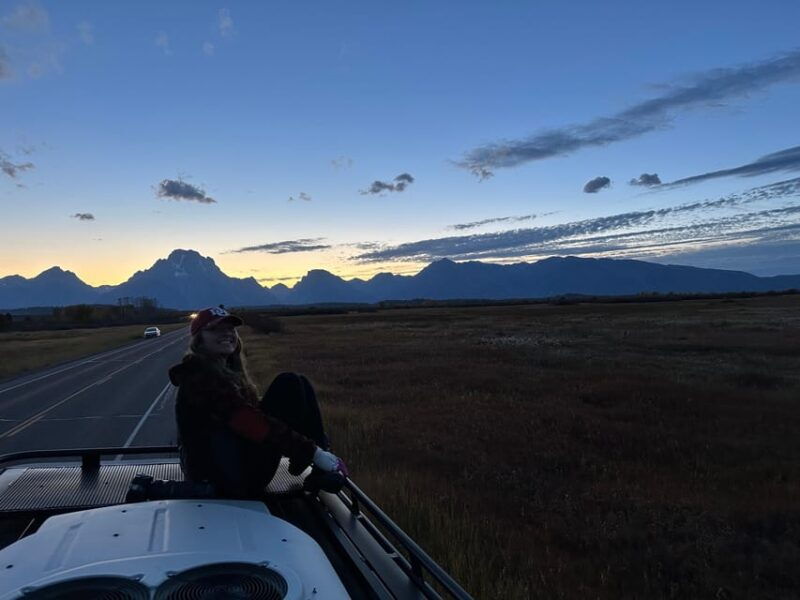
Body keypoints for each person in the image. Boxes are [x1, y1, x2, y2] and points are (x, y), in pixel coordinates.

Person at [168, 306, 347, 498]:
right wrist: (312, 452)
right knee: (288, 383)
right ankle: (320, 462)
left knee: (297, 382)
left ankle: (319, 466)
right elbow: (248, 422)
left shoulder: (225, 373)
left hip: (234, 469)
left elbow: (249, 414)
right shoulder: (200, 378)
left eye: (230, 329)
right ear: (199, 340)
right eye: (215, 329)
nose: (227, 333)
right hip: (222, 480)